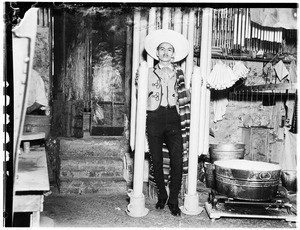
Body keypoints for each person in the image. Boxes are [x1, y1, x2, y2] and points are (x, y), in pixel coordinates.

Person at [142, 29, 190, 216]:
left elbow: (185, 97)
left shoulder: (180, 73)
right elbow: (140, 96)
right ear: (157, 52)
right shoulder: (148, 72)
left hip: (174, 119)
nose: (165, 52)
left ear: (173, 54)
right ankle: (162, 195)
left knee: (177, 161)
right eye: (162, 49)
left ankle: (174, 200)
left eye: (169, 50)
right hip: (154, 118)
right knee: (157, 160)